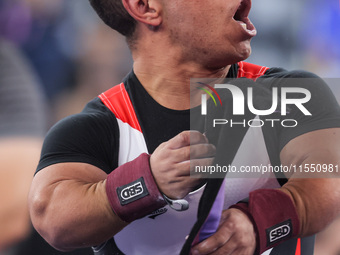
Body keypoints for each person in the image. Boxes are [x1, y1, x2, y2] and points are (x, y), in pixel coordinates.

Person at [28, 0, 340, 255]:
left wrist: (259, 222)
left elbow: (329, 182)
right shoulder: (95, 128)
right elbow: (51, 216)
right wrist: (147, 181)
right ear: (146, 6)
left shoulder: (290, 95)